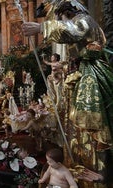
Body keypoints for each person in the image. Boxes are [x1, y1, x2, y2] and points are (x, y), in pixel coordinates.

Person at [22, 0, 113, 185]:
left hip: (90, 78)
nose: (61, 20)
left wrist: (41, 28)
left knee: (89, 125)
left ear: (69, 13)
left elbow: (72, 29)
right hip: (77, 76)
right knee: (72, 125)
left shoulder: (84, 20)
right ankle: (77, 164)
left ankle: (96, 170)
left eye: (61, 17)